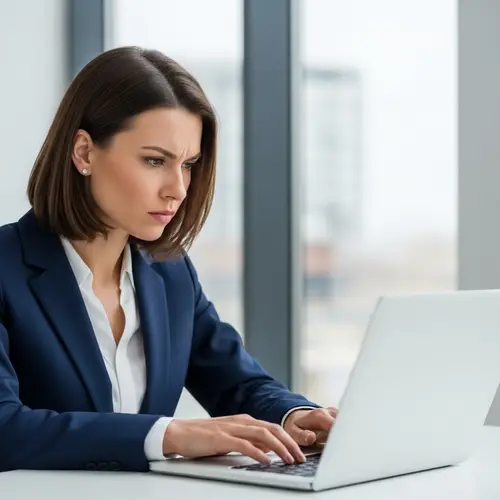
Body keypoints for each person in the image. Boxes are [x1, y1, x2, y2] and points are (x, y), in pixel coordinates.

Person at [0, 46, 336, 473]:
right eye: (155, 161)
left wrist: (298, 417)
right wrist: (168, 434)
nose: (177, 189)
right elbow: (5, 429)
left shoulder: (169, 274)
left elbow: (236, 381)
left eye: (189, 164)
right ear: (84, 153)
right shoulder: (7, 268)